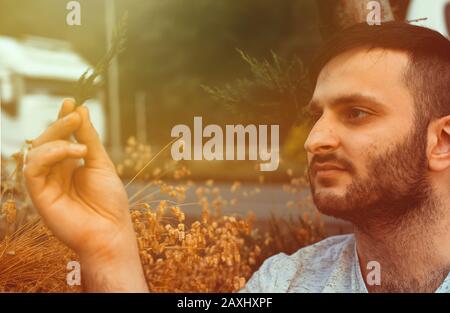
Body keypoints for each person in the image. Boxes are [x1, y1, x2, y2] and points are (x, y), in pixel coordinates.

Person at [23, 21, 449, 293]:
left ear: (442, 141)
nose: (315, 139)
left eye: (356, 113)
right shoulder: (286, 282)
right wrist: (107, 245)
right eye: (316, 115)